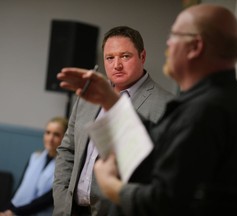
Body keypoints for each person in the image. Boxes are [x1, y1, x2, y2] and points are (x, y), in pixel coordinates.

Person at [56, 4, 237, 216]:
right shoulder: (231, 99)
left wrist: (113, 188)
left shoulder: (205, 110)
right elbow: (157, 154)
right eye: (110, 57)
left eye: (174, 35)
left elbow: (165, 201)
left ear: (196, 46)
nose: (168, 44)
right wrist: (111, 101)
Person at [52, 26, 174, 216]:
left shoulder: (167, 105)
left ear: (142, 56)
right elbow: (67, 150)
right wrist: (61, 202)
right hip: (70, 210)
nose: (117, 65)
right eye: (110, 58)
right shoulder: (87, 94)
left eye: (125, 56)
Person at [0, 116, 68, 216]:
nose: (50, 138)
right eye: (48, 133)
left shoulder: (66, 167)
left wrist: (14, 212)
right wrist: (5, 210)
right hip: (16, 210)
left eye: (56, 134)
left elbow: (48, 199)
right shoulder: (34, 157)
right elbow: (20, 189)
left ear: (65, 138)